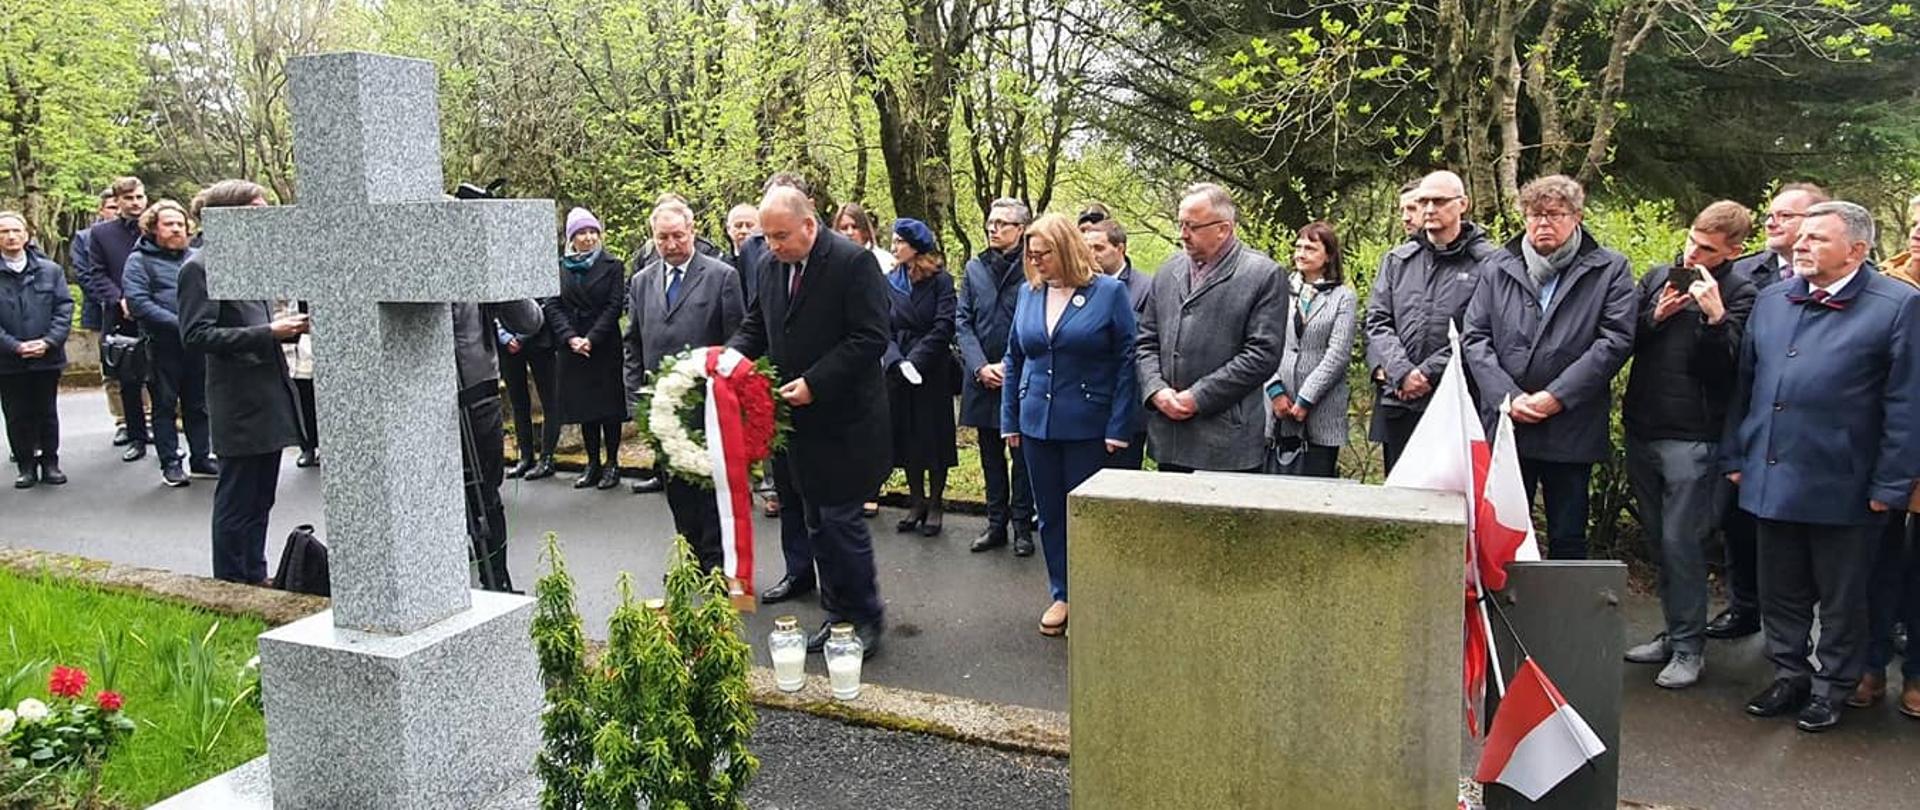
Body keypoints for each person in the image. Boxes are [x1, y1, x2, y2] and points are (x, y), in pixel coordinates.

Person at [1723, 201, 1920, 733]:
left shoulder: (1897, 305)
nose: (1802, 245)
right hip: (1771, 472)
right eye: (1802, 236)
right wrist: (1737, 455)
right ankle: (1790, 674)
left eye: (1818, 239)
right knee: (1780, 589)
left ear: (1856, 250)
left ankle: (1834, 685)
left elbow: (1907, 403)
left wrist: (1892, 483)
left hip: (1847, 482)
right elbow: (1748, 386)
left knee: (1841, 597)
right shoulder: (1771, 300)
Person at [727, 185, 892, 657]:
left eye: (781, 236)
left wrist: (815, 382)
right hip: (794, 424)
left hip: (844, 421)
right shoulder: (767, 264)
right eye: (768, 237)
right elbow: (757, 324)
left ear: (809, 224)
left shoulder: (851, 263)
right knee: (816, 521)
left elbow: (870, 338)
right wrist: (729, 360)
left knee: (842, 522)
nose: (774, 246)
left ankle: (865, 616)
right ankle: (837, 612)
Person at [1618, 201, 1759, 689]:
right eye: (1691, 239)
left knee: (1684, 543)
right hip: (1644, 425)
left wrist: (1715, 319)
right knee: (1660, 541)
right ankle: (1674, 630)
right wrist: (1654, 316)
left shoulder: (1743, 291)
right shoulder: (1661, 275)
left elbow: (1731, 370)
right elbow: (1624, 341)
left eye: (1707, 248)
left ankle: (1688, 648)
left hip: (1695, 438)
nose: (1693, 252)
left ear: (1733, 251)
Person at [1463, 175, 1634, 561]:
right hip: (1509, 423)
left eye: (1554, 214)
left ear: (1577, 217)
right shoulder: (1498, 266)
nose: (1543, 223)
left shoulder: (1609, 269)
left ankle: (1564, 621)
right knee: (1499, 534)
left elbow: (1616, 340)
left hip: (1571, 424)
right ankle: (1503, 617)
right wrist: (1508, 396)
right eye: (1534, 215)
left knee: (1567, 535)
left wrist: (1557, 397)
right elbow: (1475, 337)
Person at [1003, 213, 1138, 637]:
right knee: (1050, 516)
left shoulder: (1108, 293)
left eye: (1043, 253)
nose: (1036, 261)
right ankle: (1062, 593)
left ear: (1065, 249)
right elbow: (1014, 358)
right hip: (1036, 425)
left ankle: (1095, 594)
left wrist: (1119, 425)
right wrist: (1010, 418)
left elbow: (1126, 361)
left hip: (1088, 425)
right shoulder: (1029, 293)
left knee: (1088, 517)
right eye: (1031, 254)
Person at [1711, 182, 1831, 642]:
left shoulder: (1857, 283)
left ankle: (1809, 638)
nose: (1773, 222)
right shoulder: (1744, 272)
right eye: (1771, 214)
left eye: (1787, 215)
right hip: (1747, 422)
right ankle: (1745, 607)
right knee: (1739, 526)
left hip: (1812, 437)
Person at [177, 180, 307, 584]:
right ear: (228, 215)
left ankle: (256, 574)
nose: (266, 214)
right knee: (237, 500)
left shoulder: (250, 262)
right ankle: (232, 584)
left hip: (267, 395)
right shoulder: (199, 268)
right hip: (238, 403)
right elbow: (196, 335)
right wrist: (270, 332)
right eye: (257, 207)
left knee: (261, 497)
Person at [622, 198, 745, 573]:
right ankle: (688, 558)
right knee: (677, 490)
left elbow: (737, 338)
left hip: (708, 405)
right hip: (661, 409)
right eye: (663, 238)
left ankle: (714, 564)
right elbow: (634, 344)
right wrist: (634, 401)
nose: (672, 244)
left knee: (709, 489)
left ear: (692, 231)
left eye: (678, 235)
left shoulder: (722, 276)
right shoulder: (642, 282)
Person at [1136, 182, 1287, 474]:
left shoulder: (1263, 275)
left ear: (1224, 229)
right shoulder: (1168, 271)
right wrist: (1155, 390)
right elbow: (1146, 341)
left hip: (1227, 443)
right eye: (1180, 224)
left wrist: (1198, 397)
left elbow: (1262, 356)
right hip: (1170, 438)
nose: (1182, 234)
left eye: (1192, 226)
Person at [1364, 170, 1497, 473]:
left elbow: (1482, 330)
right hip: (1400, 401)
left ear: (1463, 204)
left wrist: (1426, 373)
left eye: (1439, 201)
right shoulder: (1398, 260)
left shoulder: (1489, 264)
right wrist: (1402, 372)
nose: (1429, 209)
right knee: (1399, 499)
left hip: (1457, 402)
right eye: (1423, 201)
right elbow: (1378, 321)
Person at [1858, 192, 1920, 715]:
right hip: (1884, 444)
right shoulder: (1886, 287)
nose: (1919, 231)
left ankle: (1917, 674)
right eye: (1918, 219)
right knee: (1875, 564)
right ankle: (1869, 665)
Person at [957, 198, 1038, 555]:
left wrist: (1010, 367)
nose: (994, 229)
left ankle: (1022, 526)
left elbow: (1035, 322)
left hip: (1019, 377)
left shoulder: (1032, 268)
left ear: (1021, 230)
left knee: (1021, 455)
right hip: (982, 377)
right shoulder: (975, 268)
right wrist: (979, 366)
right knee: (990, 454)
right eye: (991, 223)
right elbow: (962, 322)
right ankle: (995, 525)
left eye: (1003, 224)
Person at [124, 199, 216, 488]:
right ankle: (171, 462)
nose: (176, 229)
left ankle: (201, 457)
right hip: (162, 346)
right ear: (153, 228)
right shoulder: (138, 260)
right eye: (169, 224)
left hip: (197, 346)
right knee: (164, 405)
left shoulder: (196, 258)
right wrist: (183, 326)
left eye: (180, 224)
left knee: (199, 404)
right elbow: (139, 303)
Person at [882, 218, 958, 537]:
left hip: (932, 367)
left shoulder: (941, 281)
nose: (894, 247)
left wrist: (917, 360)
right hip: (899, 367)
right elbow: (879, 325)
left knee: (933, 435)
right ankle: (916, 501)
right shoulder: (889, 280)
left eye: (900, 241)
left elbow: (944, 325)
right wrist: (896, 361)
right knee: (908, 435)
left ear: (916, 247)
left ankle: (936, 502)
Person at [1264, 222, 1357, 478]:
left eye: (1310, 248)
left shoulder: (1343, 297)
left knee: (1316, 488)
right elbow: (1261, 342)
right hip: (1276, 406)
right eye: (1298, 246)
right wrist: (1274, 390)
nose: (1301, 253)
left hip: (1321, 410)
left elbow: (1337, 354)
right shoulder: (1278, 288)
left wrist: (1306, 398)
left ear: (1328, 255)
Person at [544, 207, 628, 491]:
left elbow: (614, 305)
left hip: (602, 345)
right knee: (585, 408)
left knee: (609, 409)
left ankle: (612, 462)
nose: (589, 238)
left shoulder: (613, 265)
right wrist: (571, 338)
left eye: (593, 232)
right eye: (582, 233)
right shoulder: (560, 267)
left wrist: (591, 337)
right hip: (572, 347)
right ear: (572, 238)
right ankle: (592, 463)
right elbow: (553, 305)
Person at [81, 177, 153, 463]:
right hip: (121, 315)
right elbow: (96, 273)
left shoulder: (157, 225)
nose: (135, 203)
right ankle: (136, 436)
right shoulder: (101, 233)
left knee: (164, 378)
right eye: (128, 198)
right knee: (129, 380)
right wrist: (120, 299)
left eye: (139, 197)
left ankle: (165, 436)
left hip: (157, 310)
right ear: (117, 201)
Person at [0, 211, 72, 488]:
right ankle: (25, 465)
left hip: (47, 356)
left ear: (27, 235)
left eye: (16, 230)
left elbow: (64, 307)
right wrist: (14, 346)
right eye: (4, 231)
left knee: (46, 411)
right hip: (8, 360)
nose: (11, 236)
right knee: (16, 413)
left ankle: (50, 462)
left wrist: (49, 341)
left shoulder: (49, 270)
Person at [834, 201, 890, 517]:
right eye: (843, 227)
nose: (849, 233)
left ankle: (871, 488)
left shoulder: (881, 262)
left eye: (855, 227)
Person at [70, 190, 137, 449]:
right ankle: (122, 420)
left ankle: (146, 418)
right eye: (109, 206)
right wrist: (114, 299)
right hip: (103, 311)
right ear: (103, 210)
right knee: (113, 367)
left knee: (142, 365)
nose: (114, 211)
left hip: (136, 308)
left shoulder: (139, 231)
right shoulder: (86, 237)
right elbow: (87, 275)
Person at [1083, 219, 1151, 468]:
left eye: (1099, 248)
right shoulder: (1080, 286)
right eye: (1086, 248)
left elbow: (1144, 343)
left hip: (1128, 406)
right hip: (1088, 403)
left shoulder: (1146, 288)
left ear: (1120, 248)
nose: (1091, 255)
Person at [497, 304, 560, 481]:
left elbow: (545, 301)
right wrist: (505, 337)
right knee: (518, 403)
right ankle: (526, 457)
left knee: (550, 401)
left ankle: (547, 458)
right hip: (507, 346)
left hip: (539, 340)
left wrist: (521, 336)